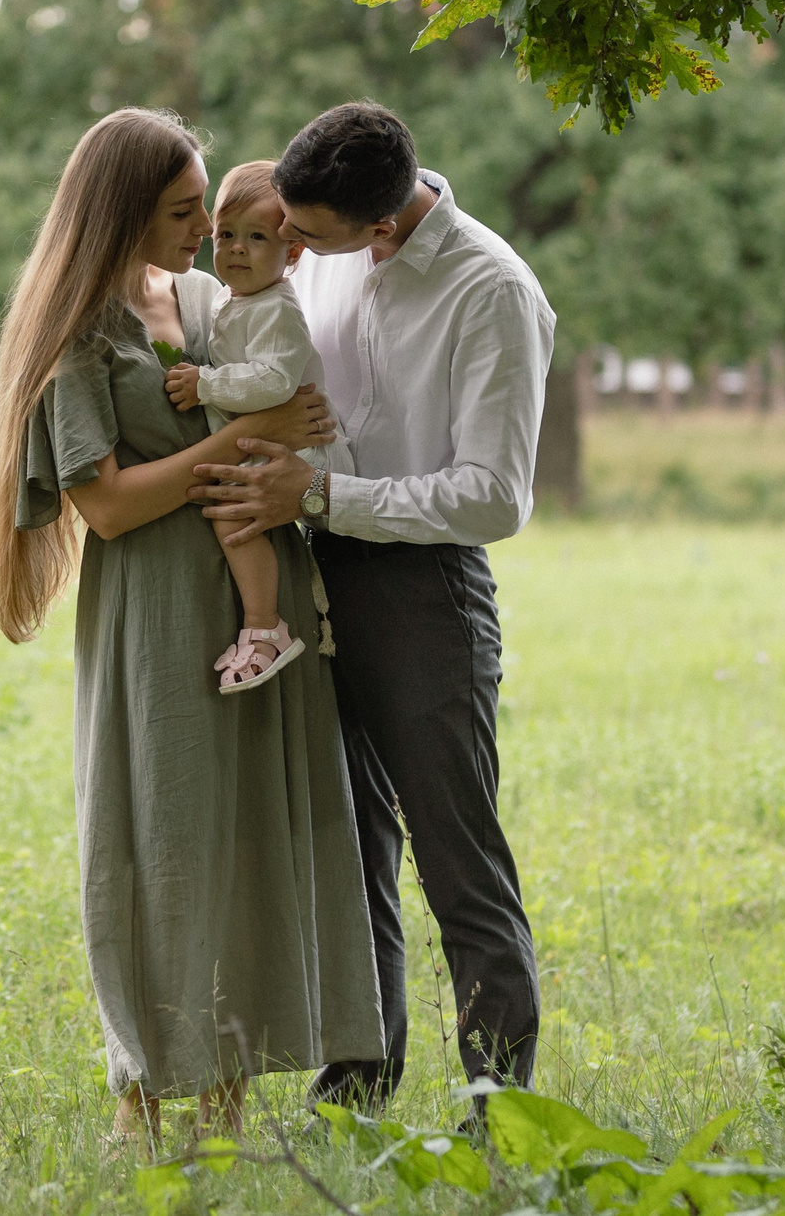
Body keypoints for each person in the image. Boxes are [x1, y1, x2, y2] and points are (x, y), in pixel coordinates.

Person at [0, 107, 384, 1145]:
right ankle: (142, 1094)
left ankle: (231, 1096)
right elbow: (107, 505)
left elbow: (283, 381)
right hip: (158, 610)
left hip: (262, 611)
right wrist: (251, 431)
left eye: (206, 205)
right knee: (162, 840)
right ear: (121, 212)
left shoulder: (199, 296)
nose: (204, 227)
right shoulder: (81, 335)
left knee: (255, 833)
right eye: (180, 209)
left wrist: (288, 433)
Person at [189, 99, 554, 1112]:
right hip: (312, 569)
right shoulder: (332, 247)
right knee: (348, 848)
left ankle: (499, 1109)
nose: (290, 249)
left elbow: (493, 493)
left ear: (381, 227)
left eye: (308, 236)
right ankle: (357, 1077)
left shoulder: (492, 291)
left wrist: (317, 491)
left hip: (425, 590)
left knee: (456, 854)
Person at [160, 160, 327, 693]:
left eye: (256, 237)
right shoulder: (235, 300)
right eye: (226, 234)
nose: (235, 248)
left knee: (234, 515)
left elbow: (276, 382)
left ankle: (265, 627)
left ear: (293, 252)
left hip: (295, 448)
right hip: (264, 438)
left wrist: (205, 384)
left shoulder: (276, 309)